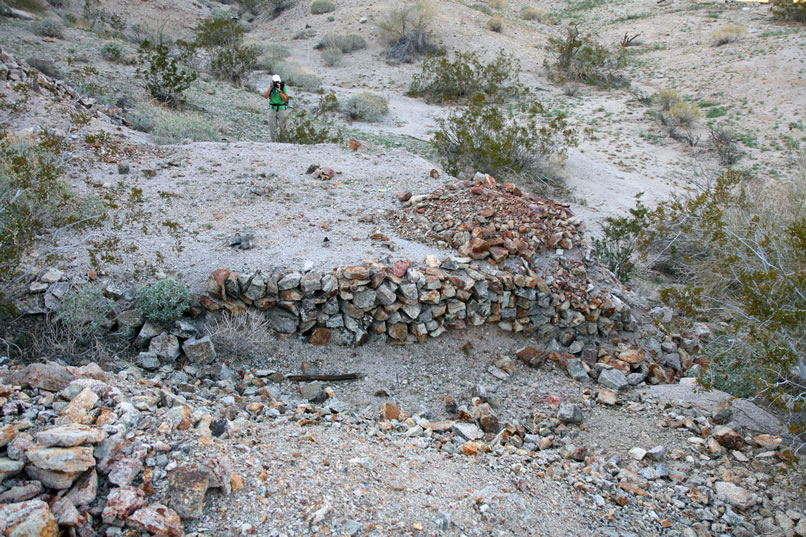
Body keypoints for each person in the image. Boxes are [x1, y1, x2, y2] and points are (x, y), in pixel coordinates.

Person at [263, 74, 290, 142]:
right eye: (275, 82)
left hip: (281, 108)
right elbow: (265, 96)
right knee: (272, 126)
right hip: (272, 108)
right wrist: (270, 87)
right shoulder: (271, 88)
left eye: (277, 82)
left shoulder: (283, 87)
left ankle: (284, 141)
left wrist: (280, 90)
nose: (276, 83)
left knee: (283, 126)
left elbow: (285, 99)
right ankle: (274, 141)